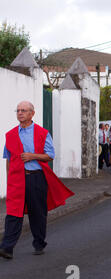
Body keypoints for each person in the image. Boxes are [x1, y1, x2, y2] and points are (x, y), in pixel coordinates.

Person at [0, 101, 74, 260]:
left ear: (32, 113)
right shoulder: (10, 135)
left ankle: (39, 243)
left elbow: (50, 155)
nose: (20, 113)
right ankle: (7, 247)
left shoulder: (42, 133)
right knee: (13, 212)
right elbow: (9, 159)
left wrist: (32, 156)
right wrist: (9, 181)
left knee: (37, 213)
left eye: (23, 110)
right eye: (18, 110)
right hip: (16, 179)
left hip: (36, 178)